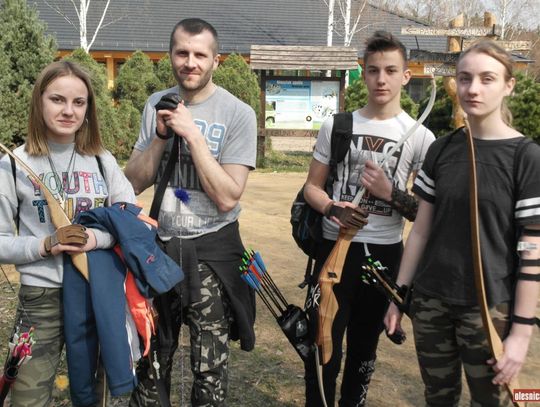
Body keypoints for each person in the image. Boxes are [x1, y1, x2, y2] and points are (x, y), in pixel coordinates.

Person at [384, 40, 540, 406]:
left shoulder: (526, 157)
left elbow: (532, 252)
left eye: (487, 79)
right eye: (465, 78)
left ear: (508, 85)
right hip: (431, 302)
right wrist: (399, 295)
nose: (473, 89)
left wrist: (520, 333)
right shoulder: (442, 149)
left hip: (489, 308)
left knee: (490, 401)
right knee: (438, 397)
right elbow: (420, 230)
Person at [124, 18, 257, 407]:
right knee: (152, 357)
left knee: (208, 366)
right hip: (160, 248)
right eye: (182, 52)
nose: (190, 62)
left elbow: (228, 197)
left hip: (213, 251)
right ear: (170, 56)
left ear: (216, 60)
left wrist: (193, 135)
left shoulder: (238, 113)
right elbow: (133, 181)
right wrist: (161, 138)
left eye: (200, 54)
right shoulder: (155, 104)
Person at [302, 31, 435, 406]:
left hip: (384, 257)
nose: (381, 79)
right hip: (333, 252)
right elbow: (311, 188)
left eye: (391, 71)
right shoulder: (338, 125)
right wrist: (333, 208)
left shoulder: (421, 137)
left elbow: (427, 213)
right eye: (373, 70)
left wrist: (388, 193)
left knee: (364, 348)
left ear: (405, 76)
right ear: (363, 72)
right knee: (323, 347)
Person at [0, 60, 136, 407]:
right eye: (57, 100)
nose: (68, 111)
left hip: (97, 294)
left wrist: (96, 239)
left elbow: (130, 222)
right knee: (26, 398)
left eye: (79, 102)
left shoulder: (102, 161)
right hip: (40, 299)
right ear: (39, 101)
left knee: (94, 395)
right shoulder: (13, 164)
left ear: (89, 107)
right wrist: (45, 244)